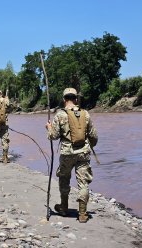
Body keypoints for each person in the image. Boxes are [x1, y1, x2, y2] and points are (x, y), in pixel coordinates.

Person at [45, 88, 98, 223]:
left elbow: (54, 136)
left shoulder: (60, 115)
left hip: (67, 153)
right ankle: (82, 213)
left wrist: (49, 128)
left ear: (64, 100)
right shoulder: (85, 114)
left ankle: (64, 207)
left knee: (64, 179)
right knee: (83, 183)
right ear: (76, 99)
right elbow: (94, 136)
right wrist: (89, 146)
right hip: (83, 153)